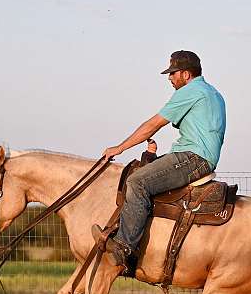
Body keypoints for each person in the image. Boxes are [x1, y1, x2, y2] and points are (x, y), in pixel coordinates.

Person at [92, 50, 227, 270]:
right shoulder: (213, 93)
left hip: (192, 157)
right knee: (145, 168)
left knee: (137, 181)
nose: (170, 78)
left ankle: (124, 247)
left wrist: (120, 147)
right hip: (199, 155)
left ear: (185, 74)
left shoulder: (190, 91)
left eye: (173, 73)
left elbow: (153, 124)